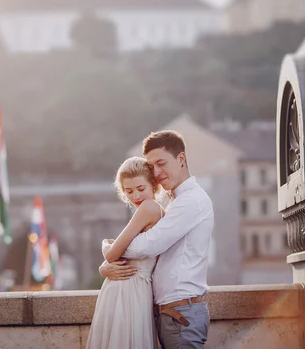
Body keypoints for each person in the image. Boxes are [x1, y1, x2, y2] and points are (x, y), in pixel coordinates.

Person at [99, 130, 214, 348]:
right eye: (152, 167)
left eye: (162, 163)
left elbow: (148, 246)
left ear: (181, 159)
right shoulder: (173, 202)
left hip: (181, 313)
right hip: (171, 312)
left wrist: (108, 249)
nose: (157, 172)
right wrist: (106, 266)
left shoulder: (191, 201)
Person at [86, 156, 165, 349]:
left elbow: (112, 254)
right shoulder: (153, 210)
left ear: (153, 185)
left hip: (129, 290)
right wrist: (105, 266)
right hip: (132, 290)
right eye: (129, 191)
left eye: (140, 189)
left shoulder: (149, 208)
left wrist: (105, 244)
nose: (135, 196)